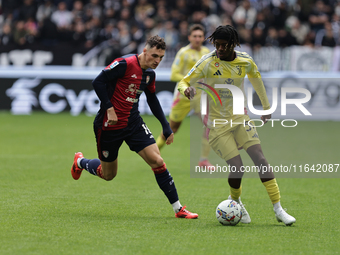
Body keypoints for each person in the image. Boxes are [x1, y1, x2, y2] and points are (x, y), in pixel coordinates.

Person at [177, 25, 296, 226]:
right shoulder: (207, 62)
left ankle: (278, 209)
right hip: (217, 125)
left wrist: (266, 108)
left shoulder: (245, 61)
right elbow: (183, 81)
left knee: (260, 159)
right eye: (217, 45)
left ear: (233, 44)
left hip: (240, 119)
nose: (220, 49)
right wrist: (186, 90)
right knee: (237, 168)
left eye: (224, 45)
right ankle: (237, 203)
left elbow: (257, 82)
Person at [71, 35, 198, 219]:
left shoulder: (149, 75)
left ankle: (178, 209)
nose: (157, 61)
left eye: (161, 57)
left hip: (133, 124)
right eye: (154, 56)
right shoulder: (124, 63)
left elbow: (152, 99)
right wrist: (109, 108)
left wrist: (165, 126)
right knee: (108, 175)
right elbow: (97, 81)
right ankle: (80, 162)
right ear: (145, 51)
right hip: (109, 126)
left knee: (158, 162)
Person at [156, 24, 214, 168]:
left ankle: (203, 160)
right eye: (194, 36)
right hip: (184, 96)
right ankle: (153, 155)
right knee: (171, 129)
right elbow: (174, 74)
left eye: (200, 36)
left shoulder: (207, 52)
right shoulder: (183, 52)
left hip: (201, 96)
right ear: (189, 37)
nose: (197, 39)